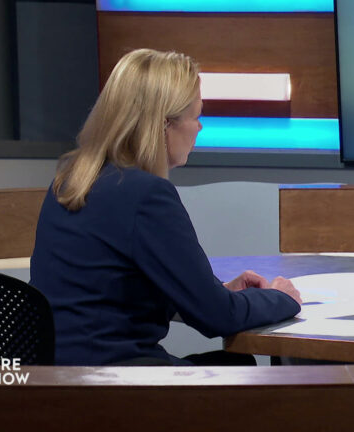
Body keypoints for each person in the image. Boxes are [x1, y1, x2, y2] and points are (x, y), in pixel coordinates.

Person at [30, 48, 302, 366]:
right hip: (116, 385)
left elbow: (111, 292)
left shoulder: (71, 181)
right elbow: (218, 318)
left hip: (56, 379)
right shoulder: (146, 196)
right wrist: (280, 298)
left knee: (231, 365)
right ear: (163, 125)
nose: (199, 128)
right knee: (240, 369)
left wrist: (218, 291)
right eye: (195, 117)